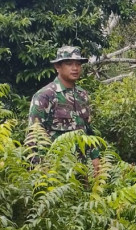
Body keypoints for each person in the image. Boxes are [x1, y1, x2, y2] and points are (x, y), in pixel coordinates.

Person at [27, 46, 101, 175]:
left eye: (78, 64)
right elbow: (34, 137)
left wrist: (95, 158)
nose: (75, 68)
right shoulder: (45, 96)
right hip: (55, 170)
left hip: (82, 169)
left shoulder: (82, 95)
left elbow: (88, 130)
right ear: (57, 66)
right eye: (69, 64)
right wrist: (40, 171)